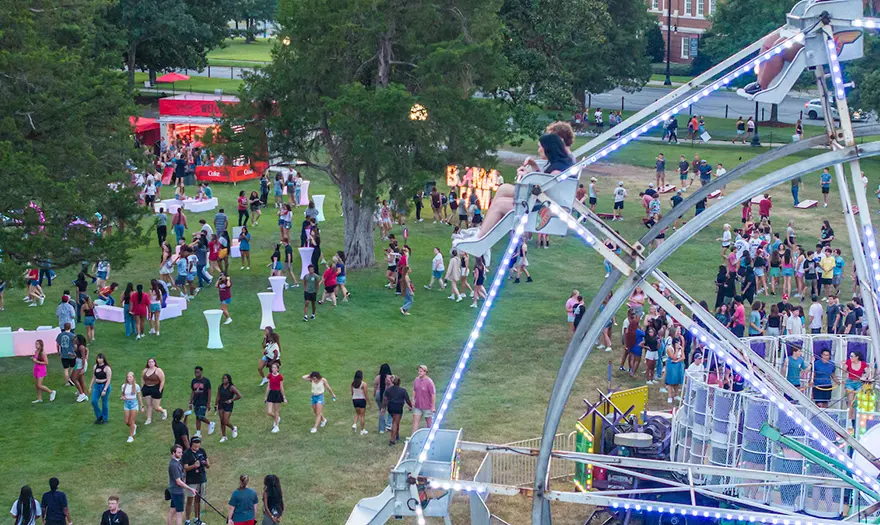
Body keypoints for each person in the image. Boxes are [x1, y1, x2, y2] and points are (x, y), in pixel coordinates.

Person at [168, 445, 198, 525]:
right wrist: (190, 488)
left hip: (174, 490)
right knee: (179, 514)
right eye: (179, 452)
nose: (181, 454)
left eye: (181, 452)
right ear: (173, 453)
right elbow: (178, 481)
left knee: (172, 511)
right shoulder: (174, 465)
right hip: (177, 491)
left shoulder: (176, 462)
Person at [182, 436, 209, 524]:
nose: (197, 448)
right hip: (192, 480)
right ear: (191, 445)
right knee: (190, 500)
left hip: (202, 478)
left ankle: (197, 519)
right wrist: (194, 466)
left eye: (198, 446)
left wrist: (206, 463)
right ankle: (187, 520)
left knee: (198, 499)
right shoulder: (186, 453)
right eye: (195, 447)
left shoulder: (202, 451)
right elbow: (185, 467)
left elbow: (208, 464)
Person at [383, 376, 412, 446]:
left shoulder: (388, 390)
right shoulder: (403, 390)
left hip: (390, 407)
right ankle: (392, 440)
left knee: (396, 421)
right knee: (395, 422)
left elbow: (385, 399)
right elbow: (407, 400)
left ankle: (397, 435)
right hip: (398, 407)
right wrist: (411, 406)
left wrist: (383, 408)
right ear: (399, 382)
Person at [189, 366, 214, 437]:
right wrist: (190, 402)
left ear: (201, 372)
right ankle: (198, 432)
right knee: (197, 417)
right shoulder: (193, 381)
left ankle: (210, 423)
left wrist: (208, 403)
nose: (196, 374)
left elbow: (209, 392)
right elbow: (193, 392)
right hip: (196, 401)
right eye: (195, 372)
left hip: (203, 401)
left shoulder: (206, 381)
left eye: (197, 372)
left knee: (200, 416)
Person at [216, 373, 241, 443]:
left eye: (225, 378)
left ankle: (233, 428)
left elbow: (239, 395)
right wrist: (215, 404)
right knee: (221, 421)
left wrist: (231, 400)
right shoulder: (220, 386)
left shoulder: (231, 387)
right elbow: (218, 396)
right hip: (221, 404)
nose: (224, 380)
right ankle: (224, 436)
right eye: (223, 378)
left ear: (228, 379)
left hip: (228, 405)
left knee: (226, 421)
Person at [142, 357, 168, 425]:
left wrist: (160, 389)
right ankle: (148, 419)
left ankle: (163, 411)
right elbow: (143, 379)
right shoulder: (145, 370)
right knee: (148, 405)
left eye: (152, 362)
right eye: (149, 362)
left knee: (155, 407)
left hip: (155, 388)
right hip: (146, 388)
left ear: (154, 363)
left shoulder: (158, 370)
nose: (150, 363)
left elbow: (162, 380)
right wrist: (143, 387)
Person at [120, 371, 144, 443]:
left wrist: (142, 406)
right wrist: (123, 397)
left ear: (133, 378)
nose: (129, 378)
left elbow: (139, 397)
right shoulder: (124, 386)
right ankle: (133, 426)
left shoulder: (136, 386)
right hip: (126, 404)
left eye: (130, 377)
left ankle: (131, 436)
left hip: (134, 404)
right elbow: (123, 395)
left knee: (131, 420)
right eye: (127, 377)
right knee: (127, 422)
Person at [412, 365, 435, 434]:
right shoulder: (416, 380)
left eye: (421, 371)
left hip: (427, 405)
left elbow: (433, 394)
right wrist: (413, 399)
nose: (419, 373)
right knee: (415, 421)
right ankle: (413, 437)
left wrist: (433, 406)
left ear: (425, 372)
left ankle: (430, 435)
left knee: (429, 422)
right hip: (417, 405)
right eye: (418, 371)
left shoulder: (429, 382)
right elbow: (414, 390)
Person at [55, 323, 76, 389]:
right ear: (70, 327)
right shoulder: (73, 336)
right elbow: (75, 346)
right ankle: (72, 379)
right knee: (72, 367)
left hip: (63, 354)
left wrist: (58, 351)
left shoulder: (60, 335)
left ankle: (67, 382)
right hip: (72, 354)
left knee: (65, 369)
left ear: (64, 327)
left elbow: (57, 344)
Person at [351, 370, 370, 435]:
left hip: (355, 399)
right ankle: (362, 430)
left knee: (357, 413)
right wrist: (368, 401)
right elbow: (365, 394)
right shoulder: (363, 384)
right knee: (362, 415)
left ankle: (354, 424)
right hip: (361, 400)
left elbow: (352, 392)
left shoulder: (352, 383)